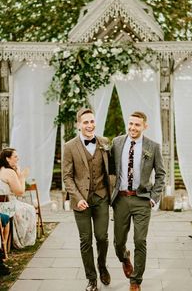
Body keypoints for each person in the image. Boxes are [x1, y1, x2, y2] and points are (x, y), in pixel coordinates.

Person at [110, 111, 165, 291]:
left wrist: (154, 198)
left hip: (142, 200)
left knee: (140, 240)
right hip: (121, 199)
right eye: (131, 124)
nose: (133, 128)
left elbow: (161, 175)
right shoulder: (117, 143)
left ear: (144, 126)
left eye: (137, 125)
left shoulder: (153, 147)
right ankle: (124, 257)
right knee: (118, 242)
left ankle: (136, 280)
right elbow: (110, 169)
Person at [63, 108, 112, 291]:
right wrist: (76, 197)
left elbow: (111, 170)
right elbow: (67, 177)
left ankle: (102, 266)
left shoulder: (104, 142)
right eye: (85, 122)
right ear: (78, 125)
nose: (90, 125)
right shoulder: (69, 146)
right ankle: (91, 279)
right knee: (86, 241)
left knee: (102, 237)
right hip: (81, 201)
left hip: (101, 198)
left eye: (92, 121)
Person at [0, 148, 36, 249]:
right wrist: (22, 176)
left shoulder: (2, 169)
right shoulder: (9, 172)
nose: (18, 158)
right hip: (6, 207)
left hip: (2, 205)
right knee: (30, 209)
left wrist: (17, 173)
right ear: (7, 158)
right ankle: (22, 238)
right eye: (15, 156)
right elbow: (20, 192)